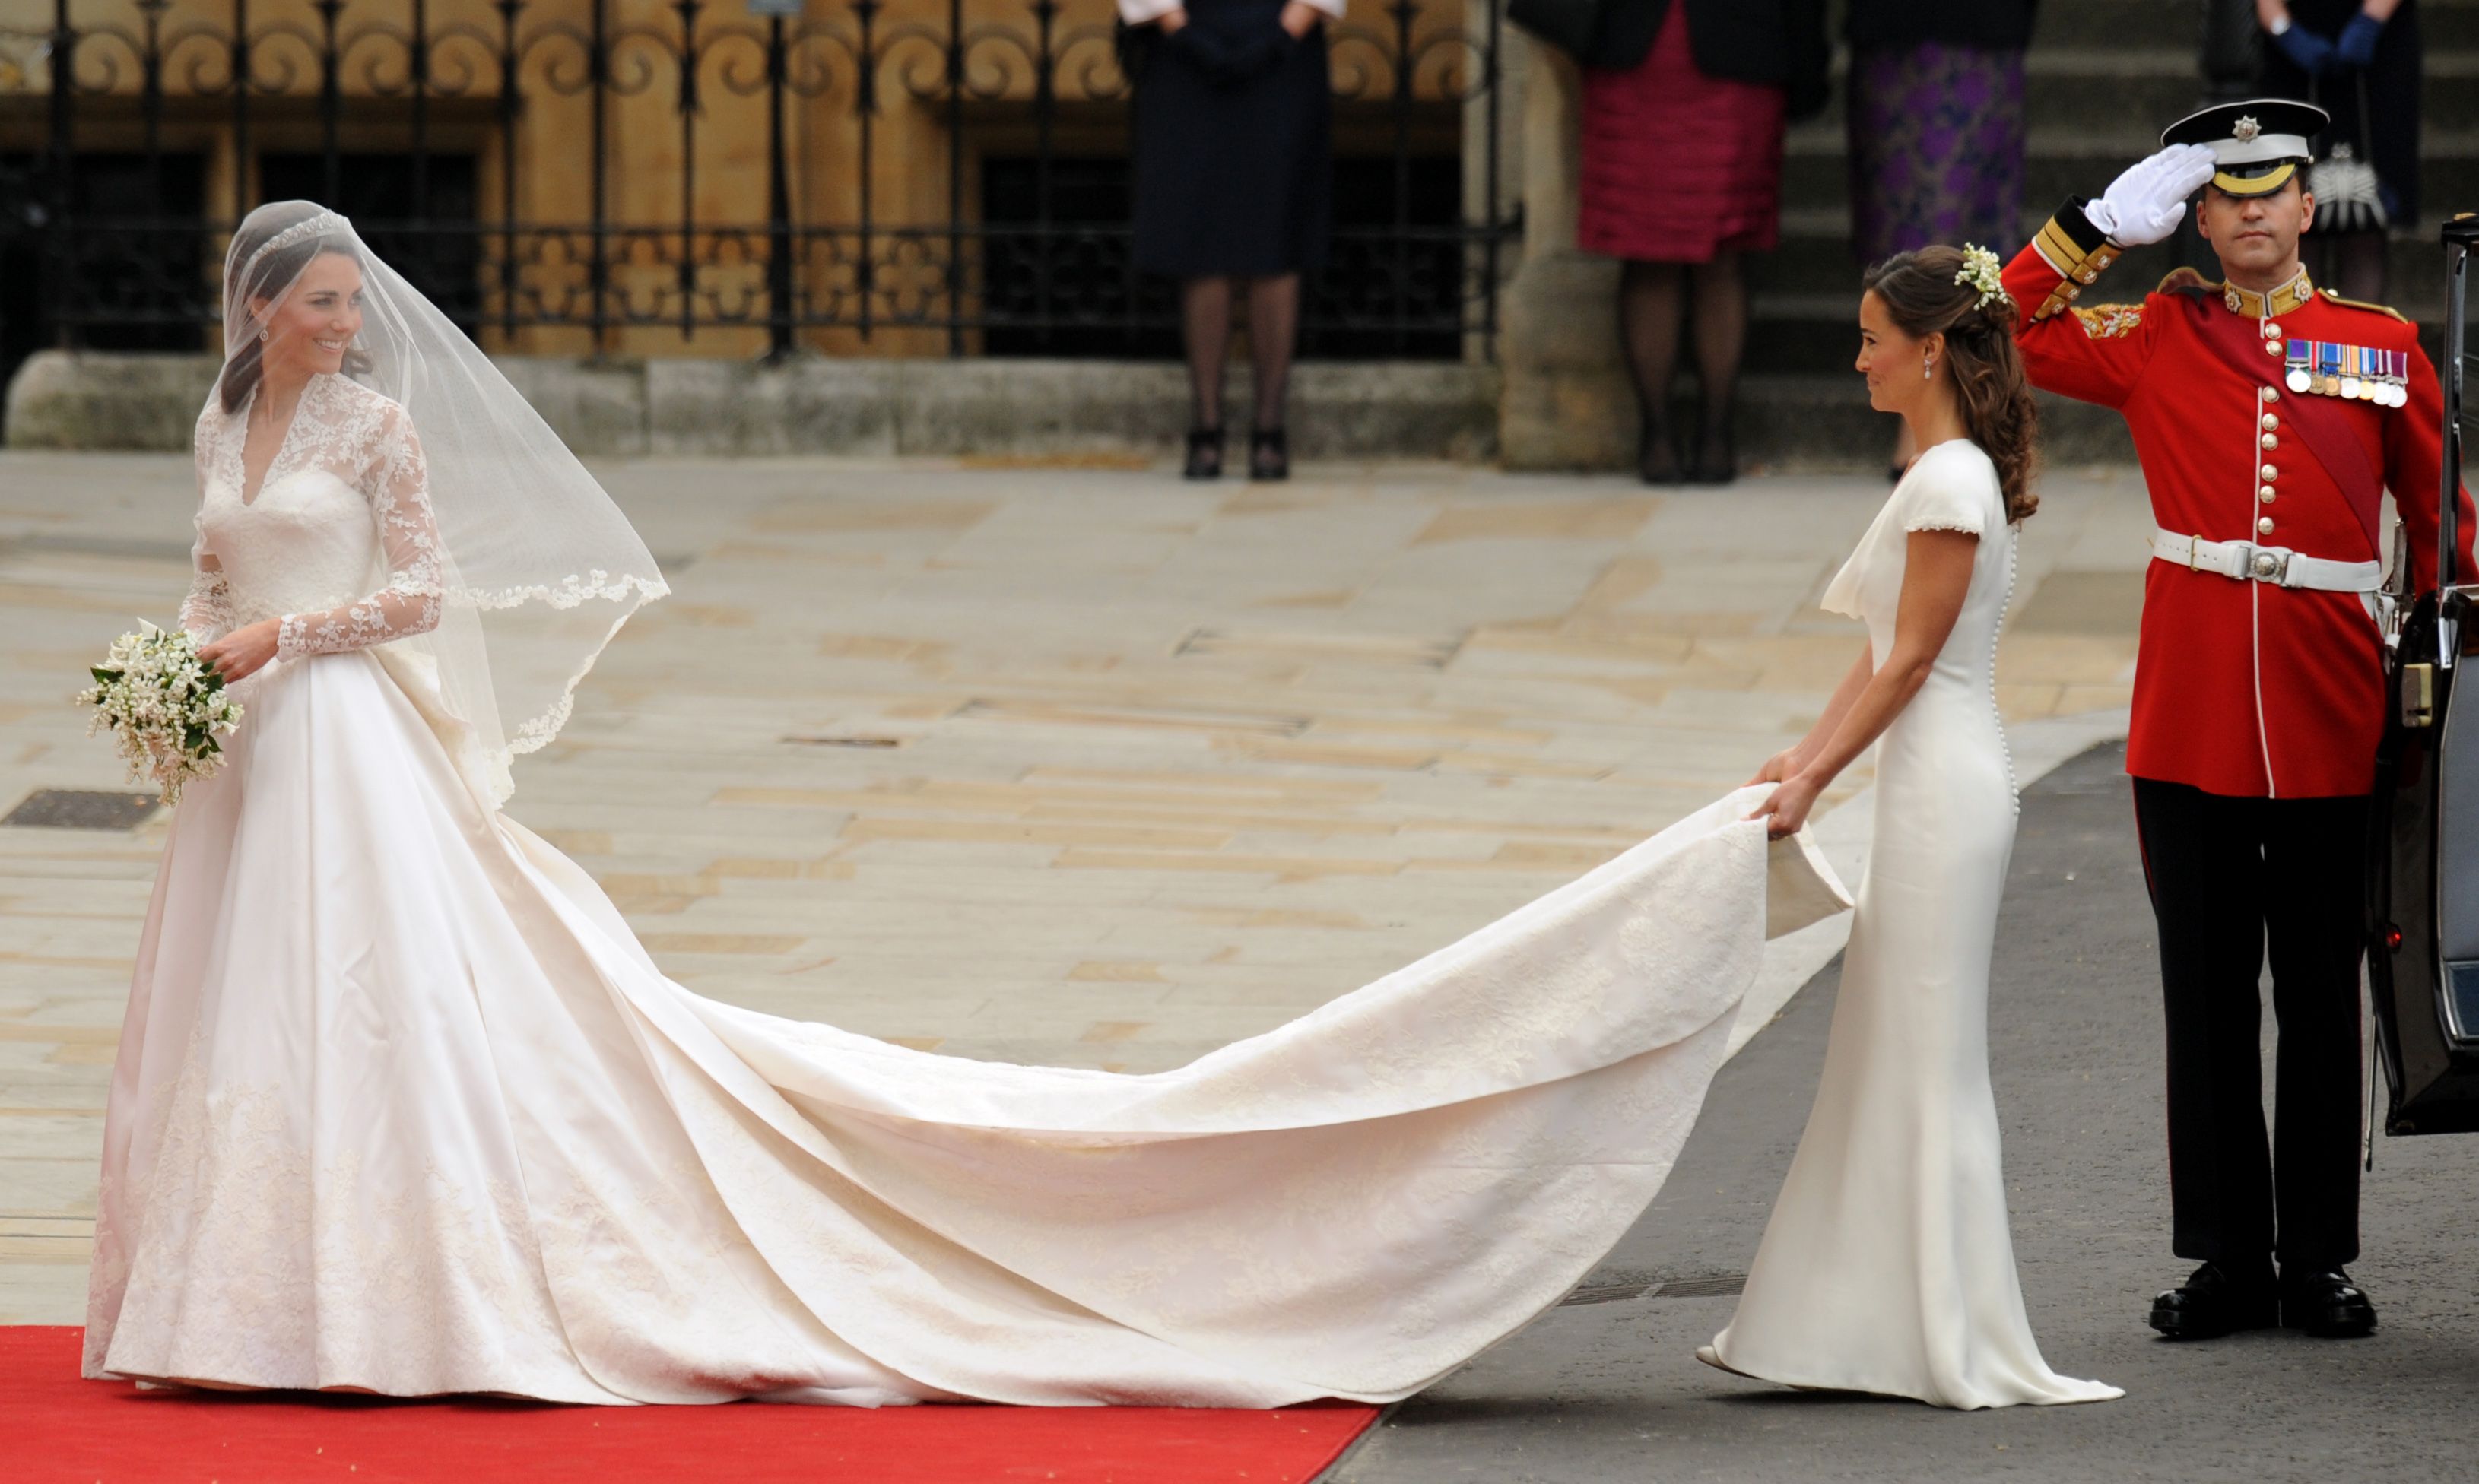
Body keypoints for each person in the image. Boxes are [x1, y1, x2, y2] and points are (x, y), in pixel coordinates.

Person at [84, 204, 1852, 1404]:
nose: (340, 322)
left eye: (346, 302)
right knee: (245, 1003)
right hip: (257, 756)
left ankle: (394, 1281)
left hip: (345, 735)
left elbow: (417, 593)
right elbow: (197, 572)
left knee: (380, 994)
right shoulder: (221, 427)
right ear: (258, 313)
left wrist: (274, 639)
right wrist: (179, 674)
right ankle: (238, 1287)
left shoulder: (375, 430)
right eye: (315, 304)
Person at [1998, 100, 2474, 1341]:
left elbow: (2442, 527)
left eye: (2275, 190)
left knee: (2321, 993)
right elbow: (1992, 327)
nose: (2253, 210)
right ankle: (2226, 1256)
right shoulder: (2158, 332)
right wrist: (2090, 230)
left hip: (2326, 708)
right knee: (2203, 995)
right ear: (2197, 219)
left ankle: (2315, 1254)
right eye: (2227, 194)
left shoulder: (2382, 345)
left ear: (2310, 207)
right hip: (2192, 714)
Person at [1695, 246, 2121, 1409]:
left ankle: (1941, 1333)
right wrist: (1806, 752)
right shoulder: (1947, 468)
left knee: (1926, 1058)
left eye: (1874, 336)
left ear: (1931, 346)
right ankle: (1856, 1327)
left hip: (1945, 785)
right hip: (1933, 778)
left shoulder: (1946, 484)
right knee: (1888, 1051)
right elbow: (1878, 652)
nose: (1860, 358)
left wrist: (1815, 781)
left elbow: (1916, 661)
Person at [1576, 0, 1828, 485]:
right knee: (1646, 248)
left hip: (1739, 50)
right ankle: (1656, 433)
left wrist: (1806, 61)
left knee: (1725, 252)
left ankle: (1717, 431)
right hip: (1638, 52)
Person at [1122, 0, 1337, 481]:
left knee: (1275, 237)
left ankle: (1269, 429)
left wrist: (1287, 32)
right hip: (1185, 53)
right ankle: (1207, 426)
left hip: (1285, 54)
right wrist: (1178, 30)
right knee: (1201, 238)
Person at [1845, 0, 2037, 479]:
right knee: (1906, 228)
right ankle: (1921, 415)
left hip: (1981, 33)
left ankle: (1968, 405)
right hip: (1896, 37)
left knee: (1968, 225)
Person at [2255, 0, 2419, 303]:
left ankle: (2360, 346)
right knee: (2291, 219)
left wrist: (2370, 23)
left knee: (2366, 226)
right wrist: (2283, 28)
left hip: (2379, 54)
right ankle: (2298, 340)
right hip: (2289, 55)